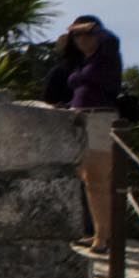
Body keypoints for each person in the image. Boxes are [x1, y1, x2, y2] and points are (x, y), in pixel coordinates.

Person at [44, 13, 128, 248]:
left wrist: (87, 26)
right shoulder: (82, 61)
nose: (82, 39)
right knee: (89, 180)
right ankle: (101, 232)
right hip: (81, 118)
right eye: (77, 36)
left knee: (98, 179)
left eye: (86, 34)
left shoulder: (108, 56)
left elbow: (111, 39)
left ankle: (104, 237)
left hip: (101, 118)